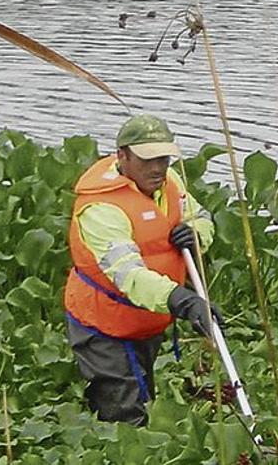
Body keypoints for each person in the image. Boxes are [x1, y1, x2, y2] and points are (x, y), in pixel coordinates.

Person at [63, 113, 219, 426]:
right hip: (103, 323)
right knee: (125, 419)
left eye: (163, 159)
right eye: (148, 159)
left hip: (147, 320)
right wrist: (184, 301)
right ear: (122, 156)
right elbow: (129, 275)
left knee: (143, 396)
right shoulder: (101, 209)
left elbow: (200, 216)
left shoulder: (170, 182)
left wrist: (196, 233)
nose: (158, 168)